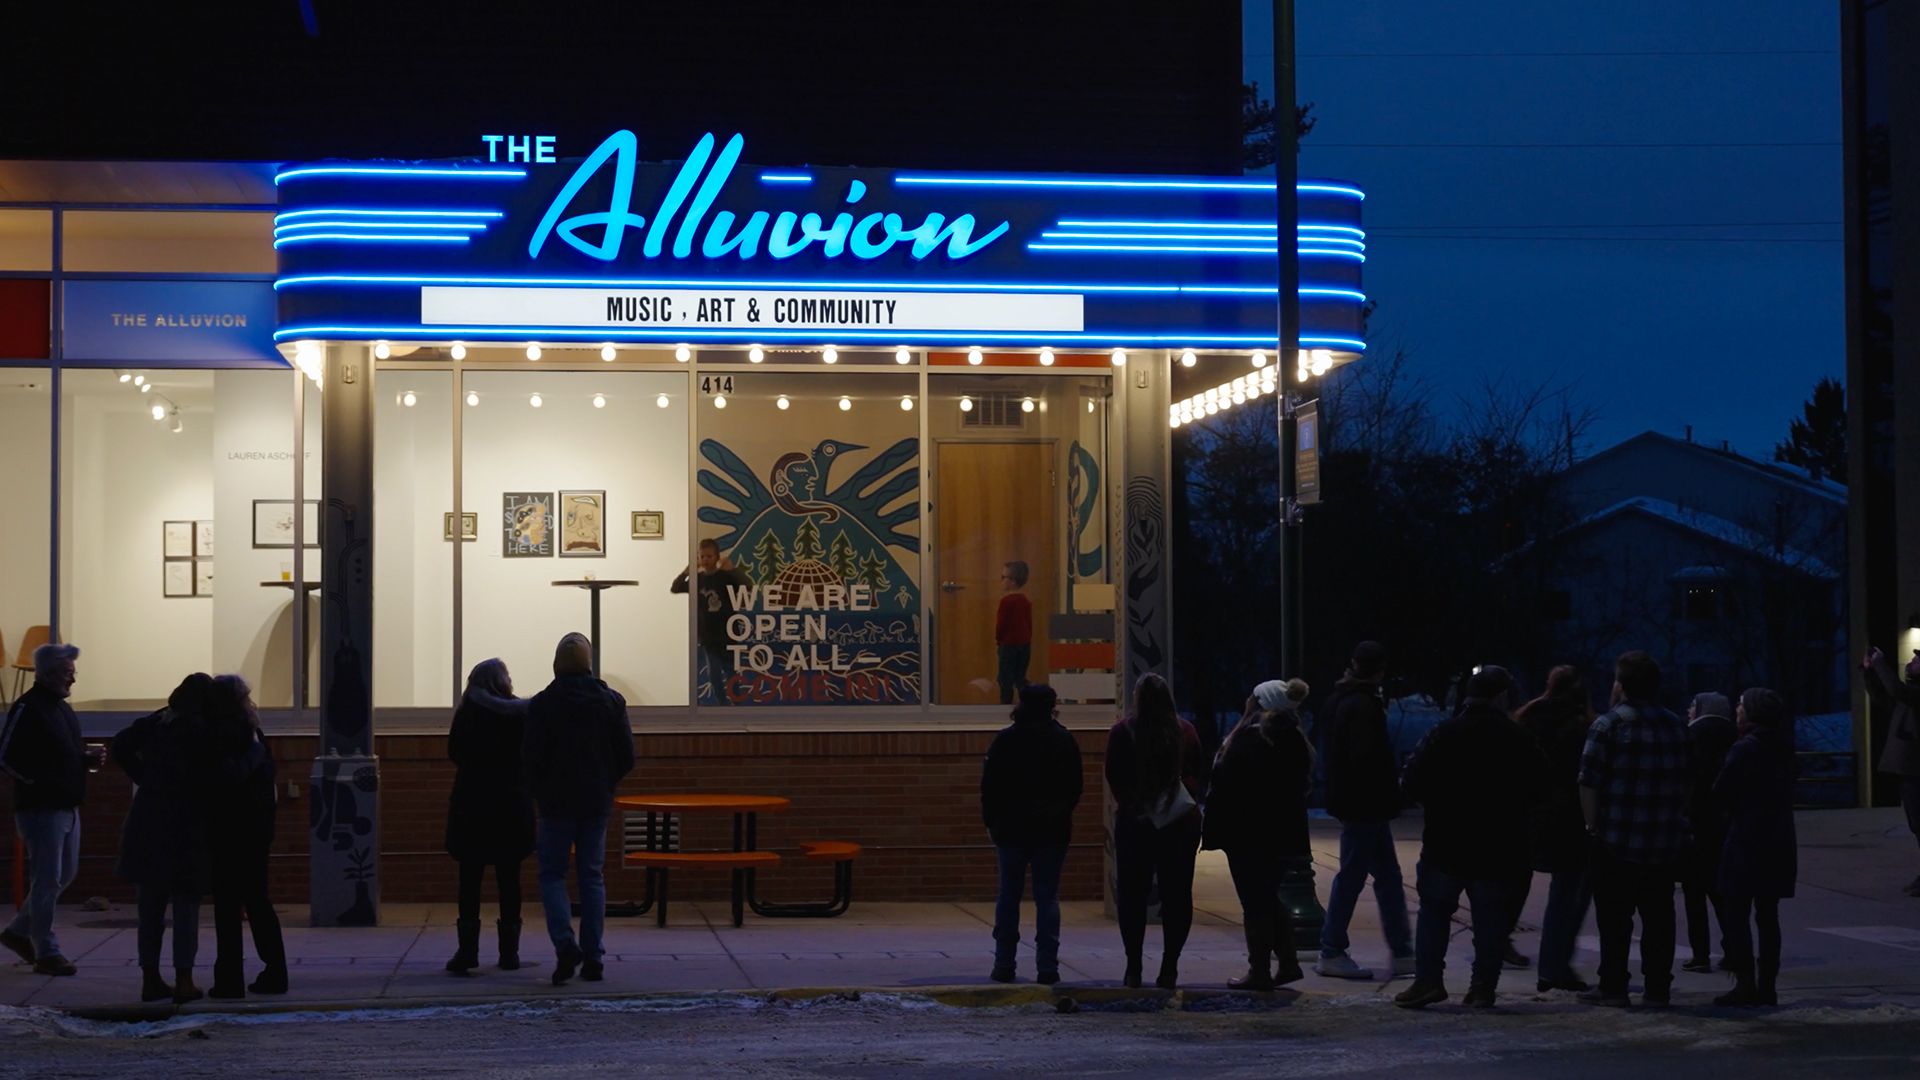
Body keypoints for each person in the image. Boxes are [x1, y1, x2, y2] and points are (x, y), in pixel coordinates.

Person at [1394, 667, 1549, 1009]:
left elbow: (1410, 781)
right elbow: (1541, 789)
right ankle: (1482, 988)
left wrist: (1435, 803)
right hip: (1499, 845)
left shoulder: (1443, 733)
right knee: (1490, 922)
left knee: (1434, 913)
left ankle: (1429, 981)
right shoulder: (1519, 739)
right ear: (1503, 697)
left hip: (1445, 842)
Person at [1577, 650, 1696, 1007]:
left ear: (1621, 684)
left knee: (1614, 921)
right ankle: (1657, 988)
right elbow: (1689, 779)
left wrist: (1592, 823)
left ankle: (1613, 986)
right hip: (1663, 841)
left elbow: (1589, 781)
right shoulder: (1676, 725)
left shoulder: (1608, 725)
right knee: (1659, 918)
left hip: (1616, 840)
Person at [523, 632, 634, 986]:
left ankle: (565, 944)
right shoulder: (611, 702)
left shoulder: (542, 704)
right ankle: (594, 957)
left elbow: (530, 757)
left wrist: (539, 790)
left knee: (553, 875)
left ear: (557, 664)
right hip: (595, 802)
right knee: (591, 877)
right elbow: (626, 757)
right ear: (589, 663)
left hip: (555, 803)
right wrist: (605, 782)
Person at [1203, 678, 1313, 991]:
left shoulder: (1250, 740)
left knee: (1255, 903)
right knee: (1267, 898)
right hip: (1281, 836)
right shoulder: (1293, 739)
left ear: (1260, 703)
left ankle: (1260, 971)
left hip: (1247, 835)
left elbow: (1227, 786)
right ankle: (1287, 964)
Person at [111, 673, 216, 1003]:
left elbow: (120, 745)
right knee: (186, 906)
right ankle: (184, 979)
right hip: (187, 826)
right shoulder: (203, 729)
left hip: (148, 822)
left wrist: (143, 777)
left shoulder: (156, 723)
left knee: (150, 910)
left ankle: (150, 978)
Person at [1316, 640, 1414, 980]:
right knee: (1359, 875)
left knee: (1382, 876)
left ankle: (1401, 950)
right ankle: (1333, 948)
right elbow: (1368, 760)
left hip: (1354, 803)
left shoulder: (1338, 700)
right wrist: (1390, 796)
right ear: (1379, 672)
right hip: (1366, 805)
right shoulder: (1364, 705)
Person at [0, 643, 99, 976]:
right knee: (47, 879)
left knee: (62, 876)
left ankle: (17, 932)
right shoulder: (28, 707)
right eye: (69, 673)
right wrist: (38, 782)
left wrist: (82, 760)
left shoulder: (61, 709)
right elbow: (6, 757)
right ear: (48, 674)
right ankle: (46, 951)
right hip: (41, 808)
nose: (74, 679)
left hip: (68, 804)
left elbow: (58, 753)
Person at [980, 683, 1083, 984]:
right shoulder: (1064, 741)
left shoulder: (1006, 740)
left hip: (1011, 829)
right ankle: (1047, 967)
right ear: (1051, 706)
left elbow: (990, 786)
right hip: (1051, 830)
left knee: (1008, 895)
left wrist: (991, 823)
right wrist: (1061, 814)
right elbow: (1074, 787)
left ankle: (1004, 964)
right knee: (1047, 897)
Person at [1105, 673, 1203, 990]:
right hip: (1180, 822)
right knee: (1177, 895)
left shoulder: (1123, 732)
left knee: (1132, 895)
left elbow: (1114, 774)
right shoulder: (1184, 730)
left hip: (1136, 822)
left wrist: (1134, 806)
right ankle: (1169, 968)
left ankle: (1134, 967)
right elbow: (1197, 769)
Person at [445, 658, 536, 975]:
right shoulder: (520, 715)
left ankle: (467, 952)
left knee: (469, 880)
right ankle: (509, 954)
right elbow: (530, 755)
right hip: (510, 808)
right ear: (501, 682)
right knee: (509, 879)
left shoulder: (468, 713)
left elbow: (454, 752)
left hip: (472, 807)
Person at [1713, 688, 1798, 1007]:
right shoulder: (1785, 748)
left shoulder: (1745, 748)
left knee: (1735, 910)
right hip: (1778, 838)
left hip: (1746, 838)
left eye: (1741, 705)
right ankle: (1768, 986)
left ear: (1752, 713)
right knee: (1768, 914)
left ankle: (1745, 983)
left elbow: (1721, 791)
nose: (1737, 709)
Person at [204, 675, 287, 998]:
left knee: (227, 906)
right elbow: (266, 776)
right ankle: (275, 972)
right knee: (257, 901)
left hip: (227, 829)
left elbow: (230, 777)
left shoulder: (215, 734)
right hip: (256, 829)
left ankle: (229, 979)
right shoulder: (253, 733)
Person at [1515, 665, 1597, 992]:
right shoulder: (1581, 726)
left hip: (1532, 813)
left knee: (1516, 888)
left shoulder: (1527, 718)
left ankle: (1541, 964)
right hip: (1569, 817)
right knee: (1571, 892)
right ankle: (1555, 965)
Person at [1681, 692, 1739, 973]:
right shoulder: (1736, 734)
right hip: (1726, 823)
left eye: (1692, 706)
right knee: (1722, 891)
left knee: (1694, 892)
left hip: (1696, 821)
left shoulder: (1690, 735)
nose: (1689, 710)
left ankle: (1700, 953)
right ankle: (1733, 948)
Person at [1862, 646, 1920, 896]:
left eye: (1917, 660)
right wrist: (1868, 673)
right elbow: (1882, 697)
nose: (1912, 661)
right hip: (1909, 770)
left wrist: (1879, 664)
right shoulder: (1911, 693)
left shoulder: (1914, 694)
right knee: (1917, 825)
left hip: (1916, 771)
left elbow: (1896, 691)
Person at [671, 538, 751, 703]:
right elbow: (675, 588)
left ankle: (737, 703)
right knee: (713, 673)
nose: (706, 560)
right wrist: (687, 571)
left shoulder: (725, 577)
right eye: (702, 557)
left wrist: (732, 569)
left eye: (709, 556)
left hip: (727, 632)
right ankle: (721, 705)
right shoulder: (697, 579)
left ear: (717, 557)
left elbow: (748, 585)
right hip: (707, 634)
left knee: (730, 671)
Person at [995, 561, 1034, 705]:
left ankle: (1005, 704)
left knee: (1005, 678)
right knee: (1020, 677)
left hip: (1008, 645)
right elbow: (1029, 624)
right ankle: (1029, 702)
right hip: (1024, 644)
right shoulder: (1025, 601)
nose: (1001, 580)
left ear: (1012, 582)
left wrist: (998, 639)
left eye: (1003, 577)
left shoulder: (1006, 602)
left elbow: (1001, 625)